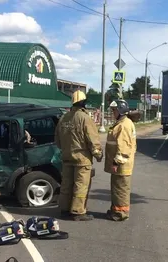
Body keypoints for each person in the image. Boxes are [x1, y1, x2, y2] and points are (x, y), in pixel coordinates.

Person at [54, 90, 103, 221]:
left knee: (66, 185)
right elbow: (92, 138)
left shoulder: (64, 118)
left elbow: (57, 140)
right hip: (82, 159)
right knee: (80, 185)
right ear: (83, 103)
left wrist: (66, 149)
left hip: (67, 157)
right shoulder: (84, 118)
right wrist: (98, 154)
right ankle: (77, 212)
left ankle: (64, 209)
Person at [104, 99, 137, 221]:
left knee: (120, 190)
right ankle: (115, 210)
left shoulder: (124, 125)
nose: (113, 113)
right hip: (121, 164)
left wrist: (115, 162)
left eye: (114, 110)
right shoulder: (122, 123)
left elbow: (123, 148)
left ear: (120, 111)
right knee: (117, 189)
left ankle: (120, 214)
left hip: (121, 165)